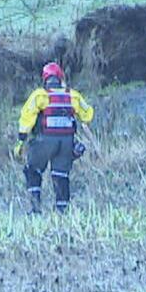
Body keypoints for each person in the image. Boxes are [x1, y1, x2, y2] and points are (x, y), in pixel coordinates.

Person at [15, 62, 96, 213]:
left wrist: (21, 140)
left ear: (45, 79)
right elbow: (88, 114)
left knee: (33, 170)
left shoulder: (40, 95)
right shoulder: (73, 95)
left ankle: (35, 208)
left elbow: (27, 117)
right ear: (61, 78)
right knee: (61, 175)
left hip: (44, 141)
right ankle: (62, 210)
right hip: (66, 142)